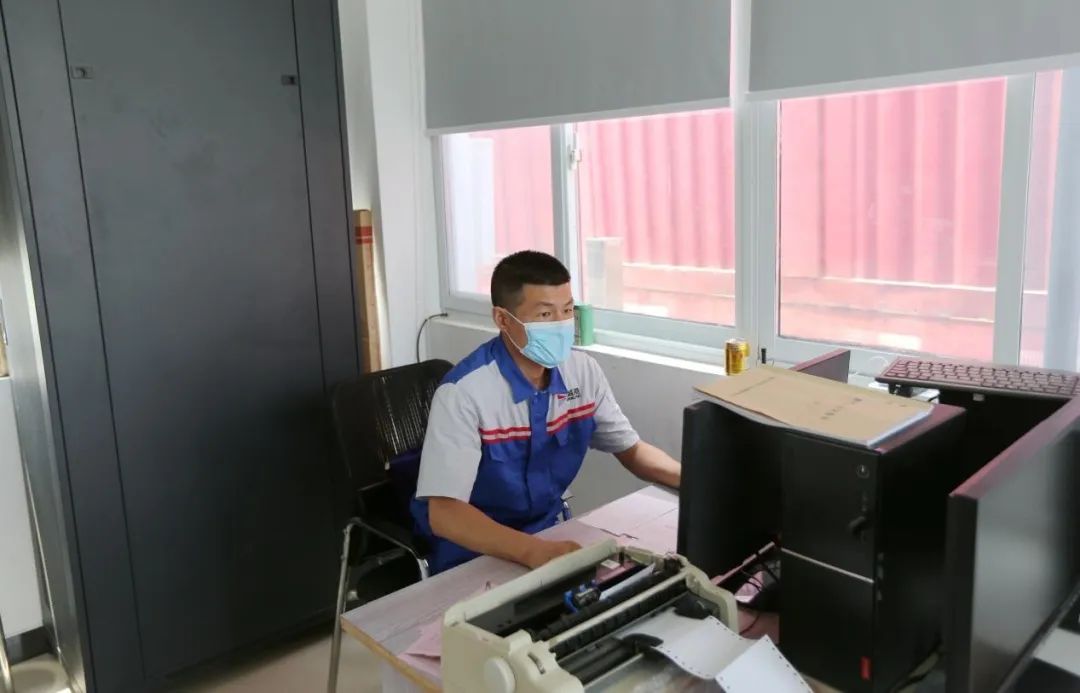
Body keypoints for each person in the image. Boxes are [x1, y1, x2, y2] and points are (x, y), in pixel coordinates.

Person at [411, 251, 681, 574]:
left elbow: (632, 451)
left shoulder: (583, 373)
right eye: (544, 314)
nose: (560, 325)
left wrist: (695, 481)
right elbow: (445, 514)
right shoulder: (464, 393)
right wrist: (532, 551)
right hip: (474, 550)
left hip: (549, 535)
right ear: (503, 319)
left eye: (566, 311)